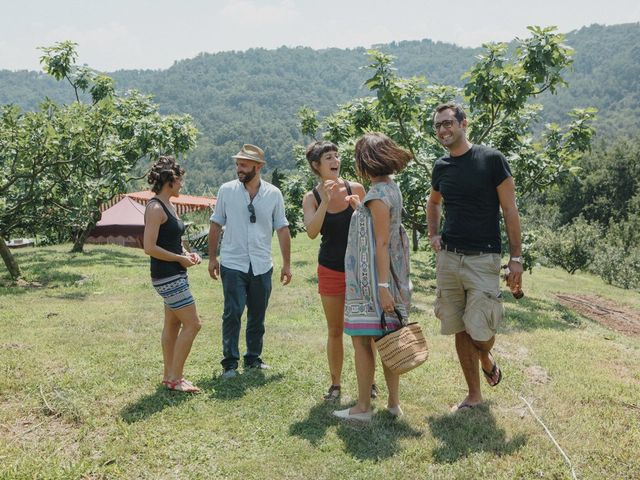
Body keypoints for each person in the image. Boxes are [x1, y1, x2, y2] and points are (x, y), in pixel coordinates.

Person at [427, 102, 524, 411]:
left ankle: (484, 354)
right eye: (438, 126)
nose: (443, 130)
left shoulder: (492, 160)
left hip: (485, 257)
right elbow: (433, 203)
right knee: (458, 326)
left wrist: (516, 258)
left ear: (463, 123)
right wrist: (433, 234)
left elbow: (509, 210)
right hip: (450, 258)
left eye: (447, 123)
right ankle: (474, 395)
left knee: (480, 328)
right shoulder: (441, 166)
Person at [333, 133, 412, 421]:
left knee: (363, 341)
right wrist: (360, 209)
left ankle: (363, 407)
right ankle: (393, 403)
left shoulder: (378, 195)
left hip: (372, 282)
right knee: (389, 338)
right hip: (387, 277)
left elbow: (380, 242)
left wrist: (381, 287)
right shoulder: (390, 189)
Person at [208, 144, 292, 378]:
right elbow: (216, 223)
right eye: (237, 164)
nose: (239, 168)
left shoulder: (274, 194)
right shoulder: (227, 190)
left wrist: (287, 264)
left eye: (243, 164)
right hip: (233, 263)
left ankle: (253, 357)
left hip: (262, 264)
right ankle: (230, 363)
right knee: (232, 312)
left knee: (258, 314)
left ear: (258, 166)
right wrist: (213, 258)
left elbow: (283, 229)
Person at [301, 141, 371, 401]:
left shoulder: (357, 189)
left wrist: (359, 210)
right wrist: (325, 202)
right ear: (316, 166)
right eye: (328, 157)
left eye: (336, 155)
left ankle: (369, 381)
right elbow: (311, 232)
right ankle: (335, 384)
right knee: (335, 330)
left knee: (365, 329)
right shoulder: (312, 197)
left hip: (359, 269)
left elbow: (371, 229)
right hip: (330, 268)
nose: (335, 160)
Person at [143, 155, 202, 393]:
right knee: (193, 324)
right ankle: (177, 378)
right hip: (167, 275)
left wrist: (189, 253)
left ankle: (169, 376)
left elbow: (174, 240)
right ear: (170, 180)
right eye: (180, 181)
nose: (182, 185)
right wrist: (179, 259)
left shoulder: (170, 205)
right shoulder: (155, 208)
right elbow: (150, 247)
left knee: (173, 323)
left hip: (175, 272)